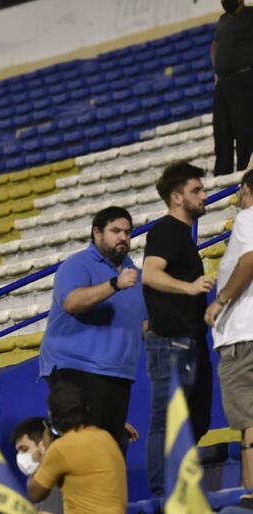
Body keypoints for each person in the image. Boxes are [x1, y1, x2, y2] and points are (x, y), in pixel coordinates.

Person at [39, 206, 147, 446]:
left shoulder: (135, 276)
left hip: (118, 373)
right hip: (76, 367)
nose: (123, 237)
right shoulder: (78, 264)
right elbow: (72, 303)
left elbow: (143, 325)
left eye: (128, 232)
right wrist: (114, 285)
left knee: (110, 448)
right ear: (97, 234)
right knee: (79, 447)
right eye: (115, 231)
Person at [142, 161, 214, 496]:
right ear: (176, 198)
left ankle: (178, 484)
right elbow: (151, 273)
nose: (204, 196)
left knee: (195, 419)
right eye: (196, 191)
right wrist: (188, 288)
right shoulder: (167, 230)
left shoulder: (181, 235)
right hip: (172, 341)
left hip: (189, 339)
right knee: (167, 420)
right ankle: (163, 492)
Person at [205, 169, 253, 491]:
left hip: (243, 335)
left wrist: (219, 300)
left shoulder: (248, 217)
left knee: (248, 420)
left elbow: (249, 259)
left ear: (245, 189)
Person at [27, 381, 127, 514]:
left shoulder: (61, 448)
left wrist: (47, 450)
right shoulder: (106, 438)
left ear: (52, 416)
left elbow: (34, 492)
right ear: (87, 410)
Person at [211, 0, 253, 176]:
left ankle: (245, 170)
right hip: (224, 83)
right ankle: (222, 172)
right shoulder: (223, 20)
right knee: (221, 129)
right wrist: (217, 72)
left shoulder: (251, 14)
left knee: (244, 127)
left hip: (245, 78)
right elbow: (214, 46)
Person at [10, 417, 63, 514]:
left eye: (25, 449)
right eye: (18, 451)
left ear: (43, 446)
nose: (20, 457)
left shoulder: (53, 483)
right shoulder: (38, 484)